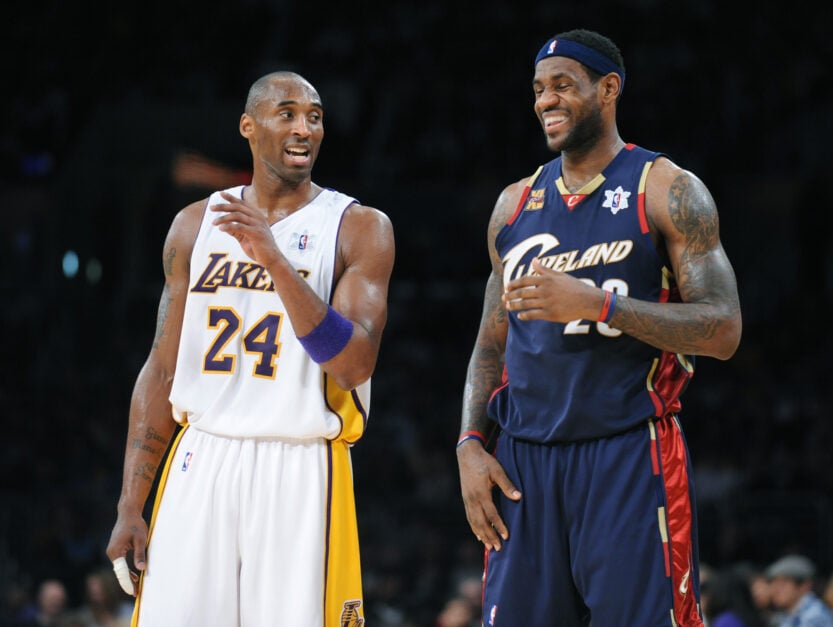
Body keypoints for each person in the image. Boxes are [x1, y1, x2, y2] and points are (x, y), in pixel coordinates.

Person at [456, 28, 742, 626]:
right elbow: (490, 342)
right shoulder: (514, 204)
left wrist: (599, 306)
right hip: (524, 466)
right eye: (538, 89)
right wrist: (469, 445)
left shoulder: (665, 188)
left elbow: (722, 329)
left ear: (608, 89)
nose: (545, 100)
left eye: (563, 85)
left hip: (628, 453)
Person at [105, 71, 395, 626]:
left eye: (314, 117)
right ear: (248, 125)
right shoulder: (194, 225)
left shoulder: (359, 227)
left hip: (299, 461)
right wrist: (129, 503)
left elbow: (354, 363)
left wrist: (276, 261)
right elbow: (162, 370)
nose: (304, 128)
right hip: (200, 456)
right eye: (286, 113)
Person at [765, 555, 833, 626]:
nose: (775, 591)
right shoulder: (788, 614)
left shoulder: (814, 616)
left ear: (804, 586)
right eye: (773, 585)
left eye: (782, 585)